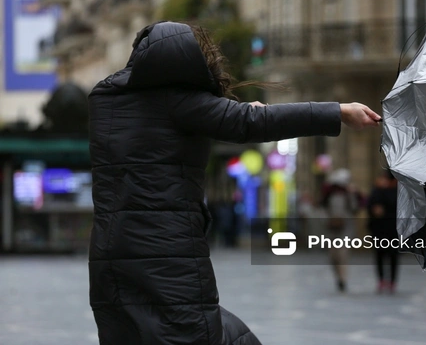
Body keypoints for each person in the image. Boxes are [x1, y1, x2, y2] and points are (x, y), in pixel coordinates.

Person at [87, 21, 381, 345]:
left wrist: (228, 111)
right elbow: (250, 123)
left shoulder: (105, 98)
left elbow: (156, 128)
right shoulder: (182, 103)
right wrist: (338, 112)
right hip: (168, 253)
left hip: (110, 255)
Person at [322, 168, 360, 292]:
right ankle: (338, 277)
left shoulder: (349, 195)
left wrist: (352, 194)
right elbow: (322, 209)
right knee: (333, 257)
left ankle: (343, 279)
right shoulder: (328, 196)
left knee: (343, 255)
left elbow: (355, 208)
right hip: (332, 230)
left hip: (346, 229)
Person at [367, 170, 399, 293]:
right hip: (379, 229)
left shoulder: (398, 190)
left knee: (393, 256)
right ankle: (381, 280)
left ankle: (392, 281)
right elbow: (371, 206)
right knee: (380, 255)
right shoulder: (377, 190)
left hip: (393, 229)